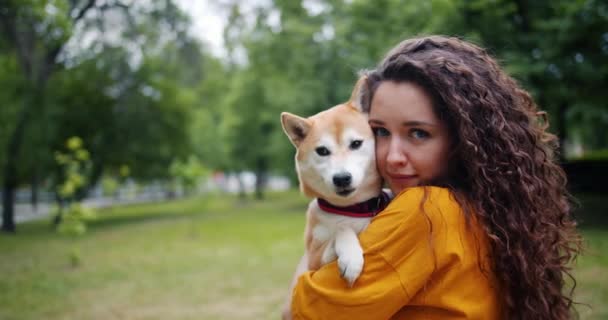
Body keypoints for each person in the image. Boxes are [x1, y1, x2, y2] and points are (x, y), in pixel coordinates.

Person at [283, 35, 581, 320]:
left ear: (462, 138)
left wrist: (317, 236)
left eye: (418, 133)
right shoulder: (488, 206)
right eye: (381, 132)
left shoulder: (424, 210)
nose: (392, 156)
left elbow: (302, 312)